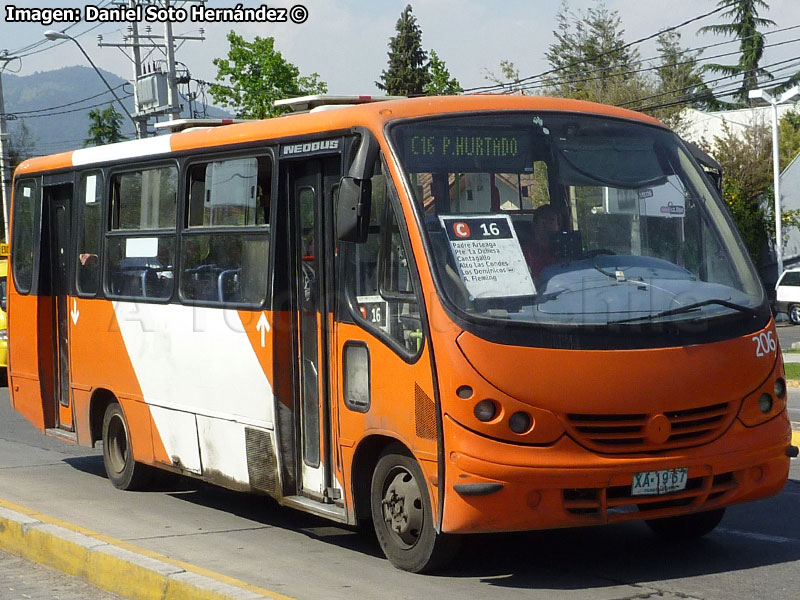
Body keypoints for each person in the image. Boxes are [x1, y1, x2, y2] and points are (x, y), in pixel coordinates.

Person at [523, 204, 561, 277]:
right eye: (543, 220)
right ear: (534, 225)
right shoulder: (525, 252)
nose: (547, 224)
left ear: (558, 226)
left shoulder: (564, 251)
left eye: (551, 220)